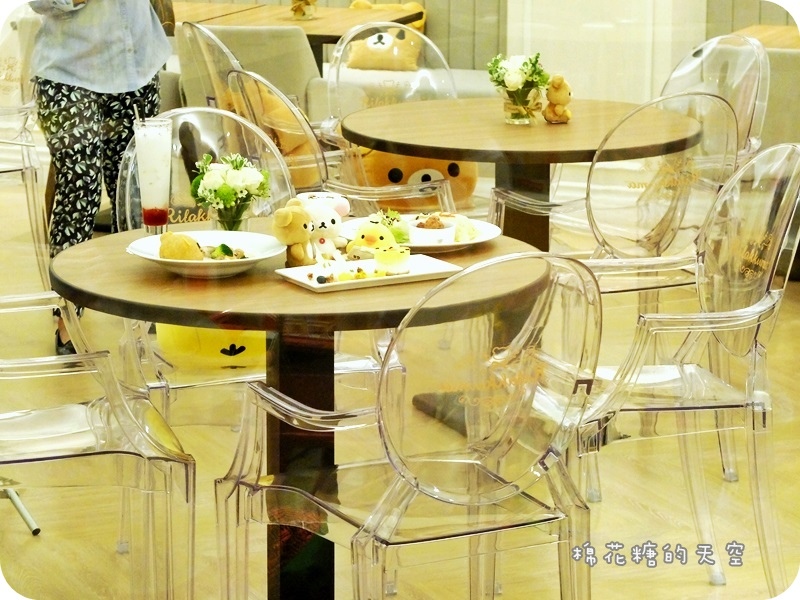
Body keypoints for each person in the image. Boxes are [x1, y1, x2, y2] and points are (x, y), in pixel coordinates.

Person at [28, 0, 171, 353]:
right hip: (67, 74)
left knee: (136, 191)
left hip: (138, 67)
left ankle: (146, 303)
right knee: (79, 189)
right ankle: (67, 316)